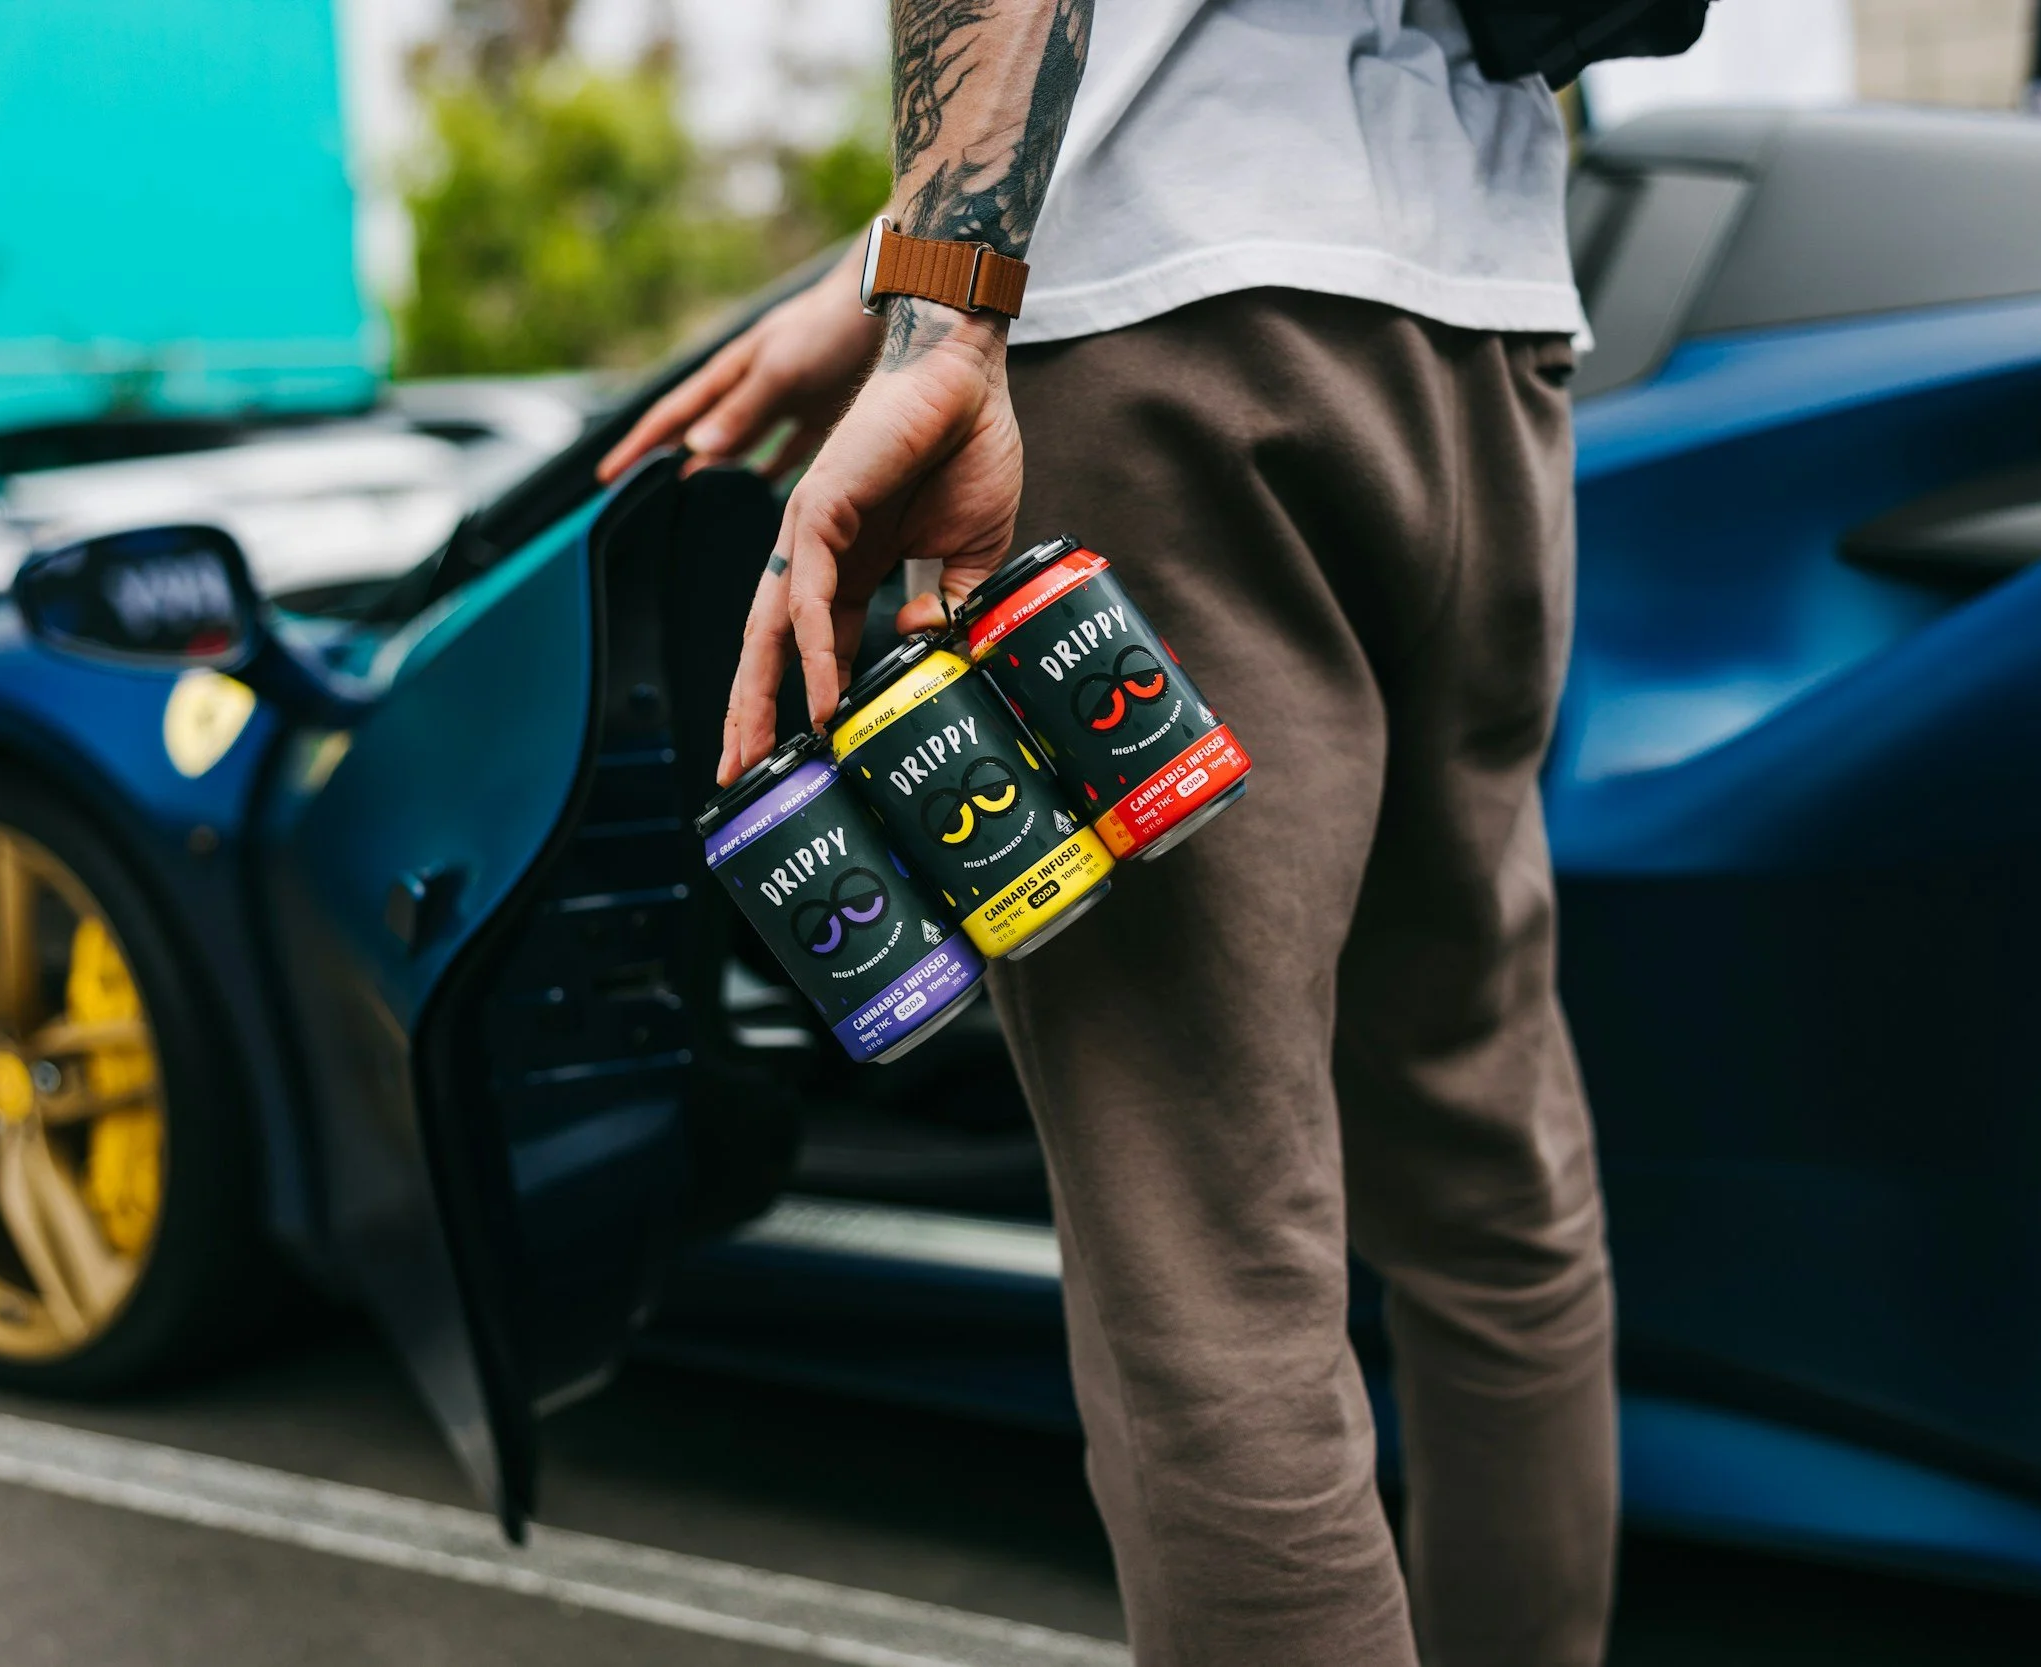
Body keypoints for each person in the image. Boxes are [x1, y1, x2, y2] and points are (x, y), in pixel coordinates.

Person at [602, 3, 1615, 1662]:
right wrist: (877, 273)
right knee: (1499, 1199)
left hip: (1165, 337)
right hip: (1488, 335)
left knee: (1211, 1275)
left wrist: (937, 313)